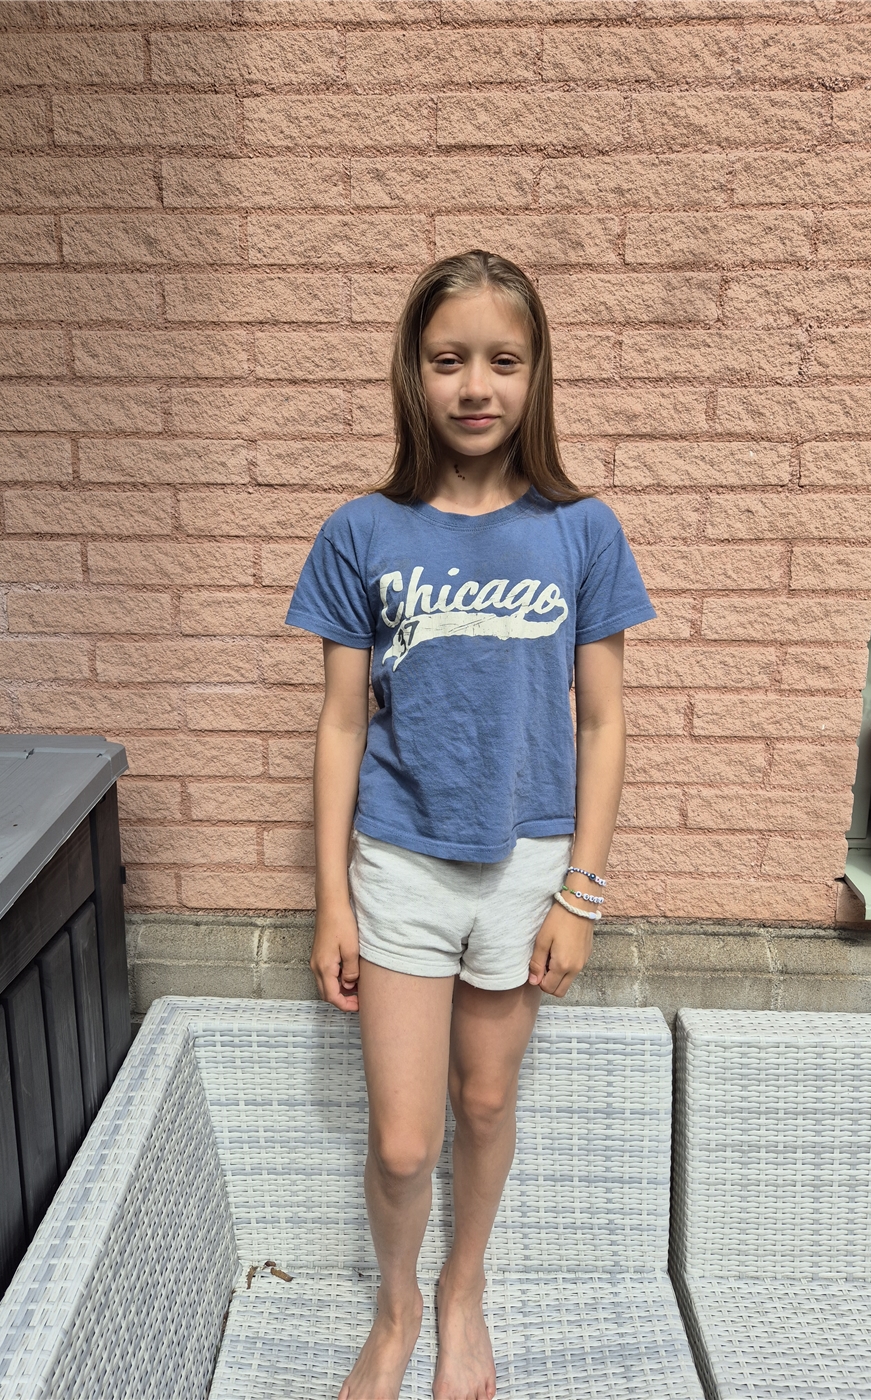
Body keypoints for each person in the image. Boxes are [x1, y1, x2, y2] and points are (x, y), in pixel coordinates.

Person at [284, 249, 656, 1400]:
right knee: (404, 1139)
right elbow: (341, 722)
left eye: (503, 359)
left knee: (486, 1100)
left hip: (528, 864)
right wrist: (332, 899)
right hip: (400, 861)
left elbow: (604, 721)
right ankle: (396, 1308)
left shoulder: (582, 531)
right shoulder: (361, 532)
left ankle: (463, 1290)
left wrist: (581, 891)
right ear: (415, 371)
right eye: (450, 359)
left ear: (537, 373)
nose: (477, 385)